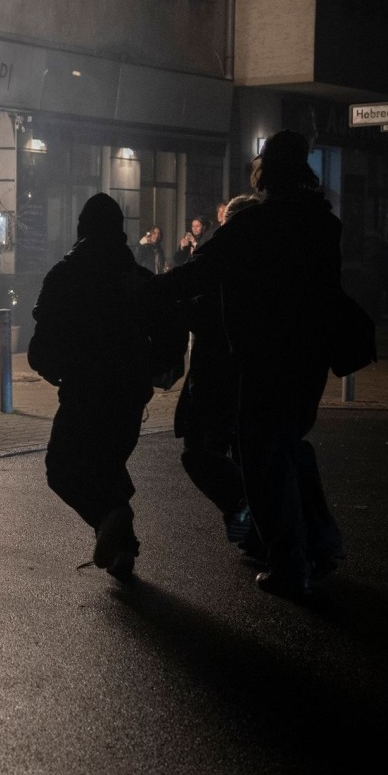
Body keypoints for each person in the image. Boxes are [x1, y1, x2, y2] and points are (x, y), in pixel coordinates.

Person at [156, 130, 345, 598]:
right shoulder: (322, 222)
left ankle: (287, 562)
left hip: (264, 355)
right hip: (310, 356)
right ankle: (320, 543)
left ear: (267, 171)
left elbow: (198, 274)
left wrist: (144, 289)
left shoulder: (258, 224)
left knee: (262, 458)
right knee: (288, 446)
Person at [29, 193, 185, 580]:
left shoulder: (66, 274)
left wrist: (54, 369)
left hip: (85, 386)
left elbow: (44, 339)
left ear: (82, 229)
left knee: (62, 467)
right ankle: (121, 547)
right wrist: (153, 368)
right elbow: (169, 326)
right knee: (108, 464)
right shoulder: (134, 277)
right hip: (130, 388)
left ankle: (110, 519)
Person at [173, 195, 261, 552]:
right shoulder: (274, 259)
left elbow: (199, 300)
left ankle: (247, 518)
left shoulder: (227, 255)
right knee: (245, 450)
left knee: (200, 450)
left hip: (217, 368)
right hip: (253, 372)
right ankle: (258, 530)